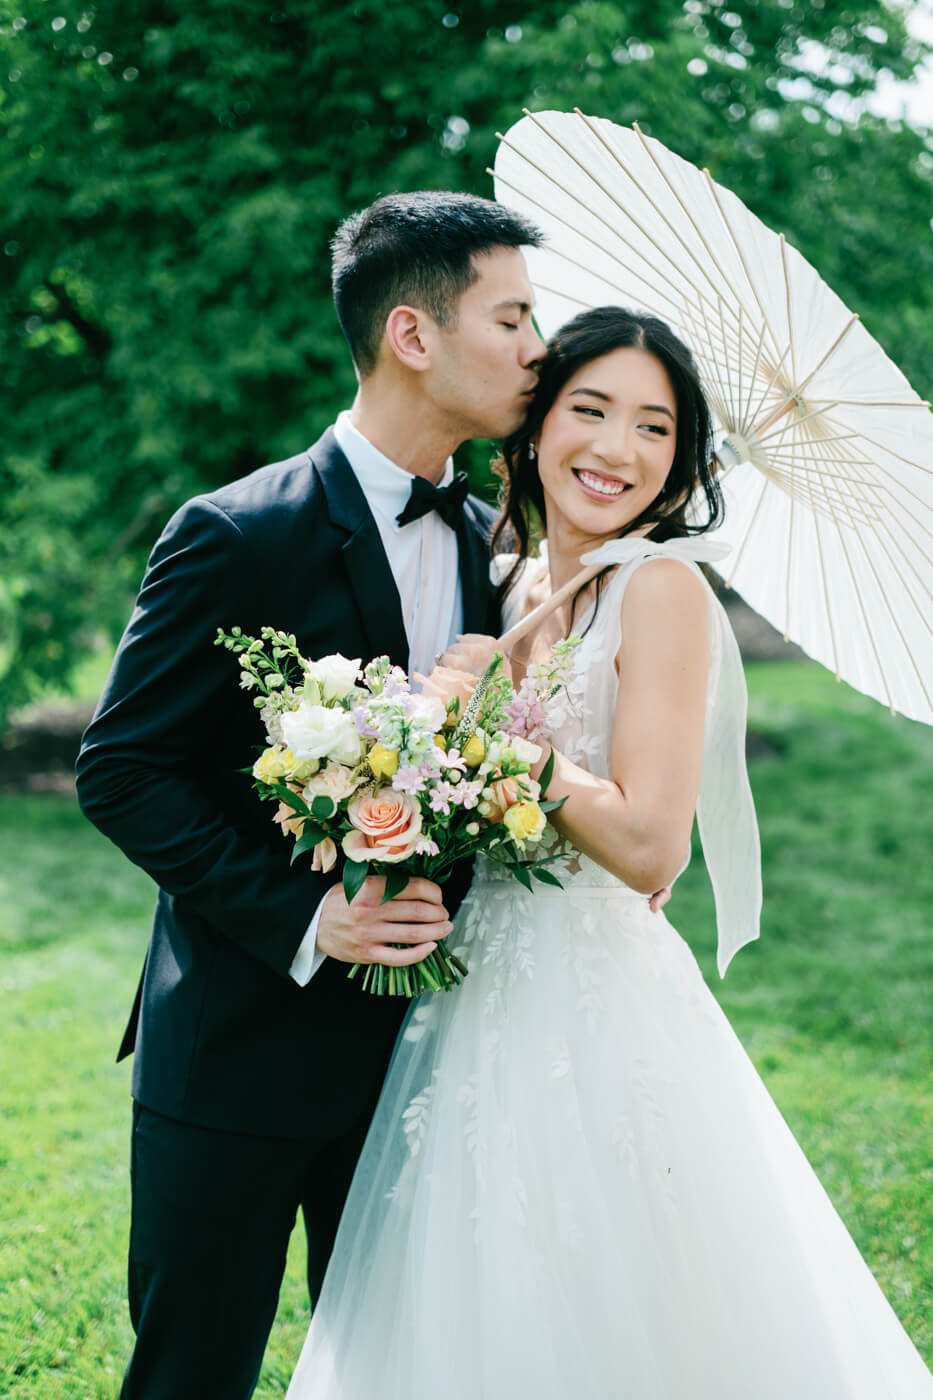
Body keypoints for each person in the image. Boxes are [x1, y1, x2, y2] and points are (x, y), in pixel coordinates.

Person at [285, 306, 933, 1398]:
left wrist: (487, 738)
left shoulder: (662, 590)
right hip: (472, 980)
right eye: (590, 409)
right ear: (536, 424)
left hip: (590, 993)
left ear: (682, 462)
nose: (618, 449)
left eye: (655, 427)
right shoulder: (512, 575)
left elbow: (645, 840)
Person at [74, 190, 546, 1399]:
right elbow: (122, 767)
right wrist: (306, 917)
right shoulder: (235, 531)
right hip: (236, 1048)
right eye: (514, 317)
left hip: (424, 1064)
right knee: (193, 1372)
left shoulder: (503, 546)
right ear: (412, 334)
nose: (539, 348)